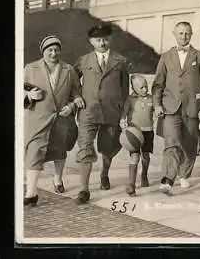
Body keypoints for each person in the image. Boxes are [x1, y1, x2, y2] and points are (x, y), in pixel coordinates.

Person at [23, 36, 85, 206]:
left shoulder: (69, 69)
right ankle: (31, 193)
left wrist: (72, 106)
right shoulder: (30, 68)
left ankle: (57, 179)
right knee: (34, 152)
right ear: (43, 51)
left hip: (61, 119)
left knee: (59, 151)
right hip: (37, 119)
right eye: (49, 50)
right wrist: (28, 95)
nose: (53, 53)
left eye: (56, 49)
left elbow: (76, 93)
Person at [74, 24, 131, 205]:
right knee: (85, 147)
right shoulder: (84, 61)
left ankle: (105, 174)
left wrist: (123, 114)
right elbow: (72, 81)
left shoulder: (120, 61)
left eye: (105, 38)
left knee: (109, 147)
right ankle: (84, 189)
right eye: (98, 39)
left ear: (111, 39)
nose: (102, 42)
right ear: (91, 42)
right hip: (88, 112)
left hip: (111, 112)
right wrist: (76, 96)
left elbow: (125, 90)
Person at [152, 21, 200, 194]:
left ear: (191, 35)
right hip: (170, 107)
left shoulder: (199, 56)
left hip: (193, 108)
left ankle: (184, 174)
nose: (183, 36)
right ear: (174, 34)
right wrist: (157, 104)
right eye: (180, 33)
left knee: (190, 145)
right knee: (172, 143)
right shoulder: (166, 56)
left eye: (187, 33)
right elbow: (158, 83)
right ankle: (168, 178)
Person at [120, 74, 155, 196]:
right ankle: (131, 184)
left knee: (145, 157)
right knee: (134, 156)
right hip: (134, 133)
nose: (145, 89)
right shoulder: (130, 100)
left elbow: (158, 109)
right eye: (141, 87)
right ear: (134, 88)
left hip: (148, 131)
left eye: (146, 86)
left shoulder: (152, 98)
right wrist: (123, 122)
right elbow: (123, 114)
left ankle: (144, 174)